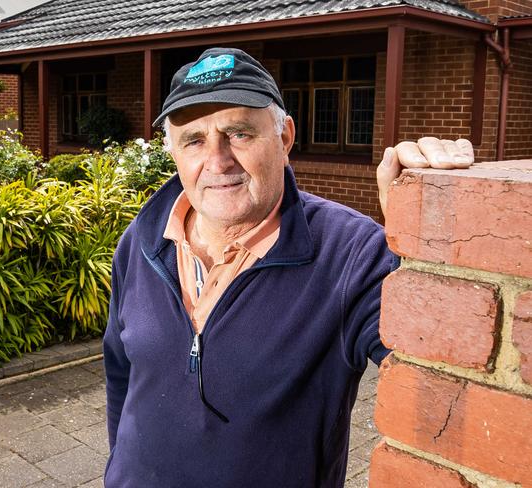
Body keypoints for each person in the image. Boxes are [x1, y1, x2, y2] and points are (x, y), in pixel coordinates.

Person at [103, 47, 473, 487]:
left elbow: (448, 377)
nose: (217, 161)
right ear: (173, 151)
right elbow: (121, 373)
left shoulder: (351, 254)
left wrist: (432, 252)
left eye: (238, 133)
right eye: (194, 140)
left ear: (284, 138)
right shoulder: (141, 240)